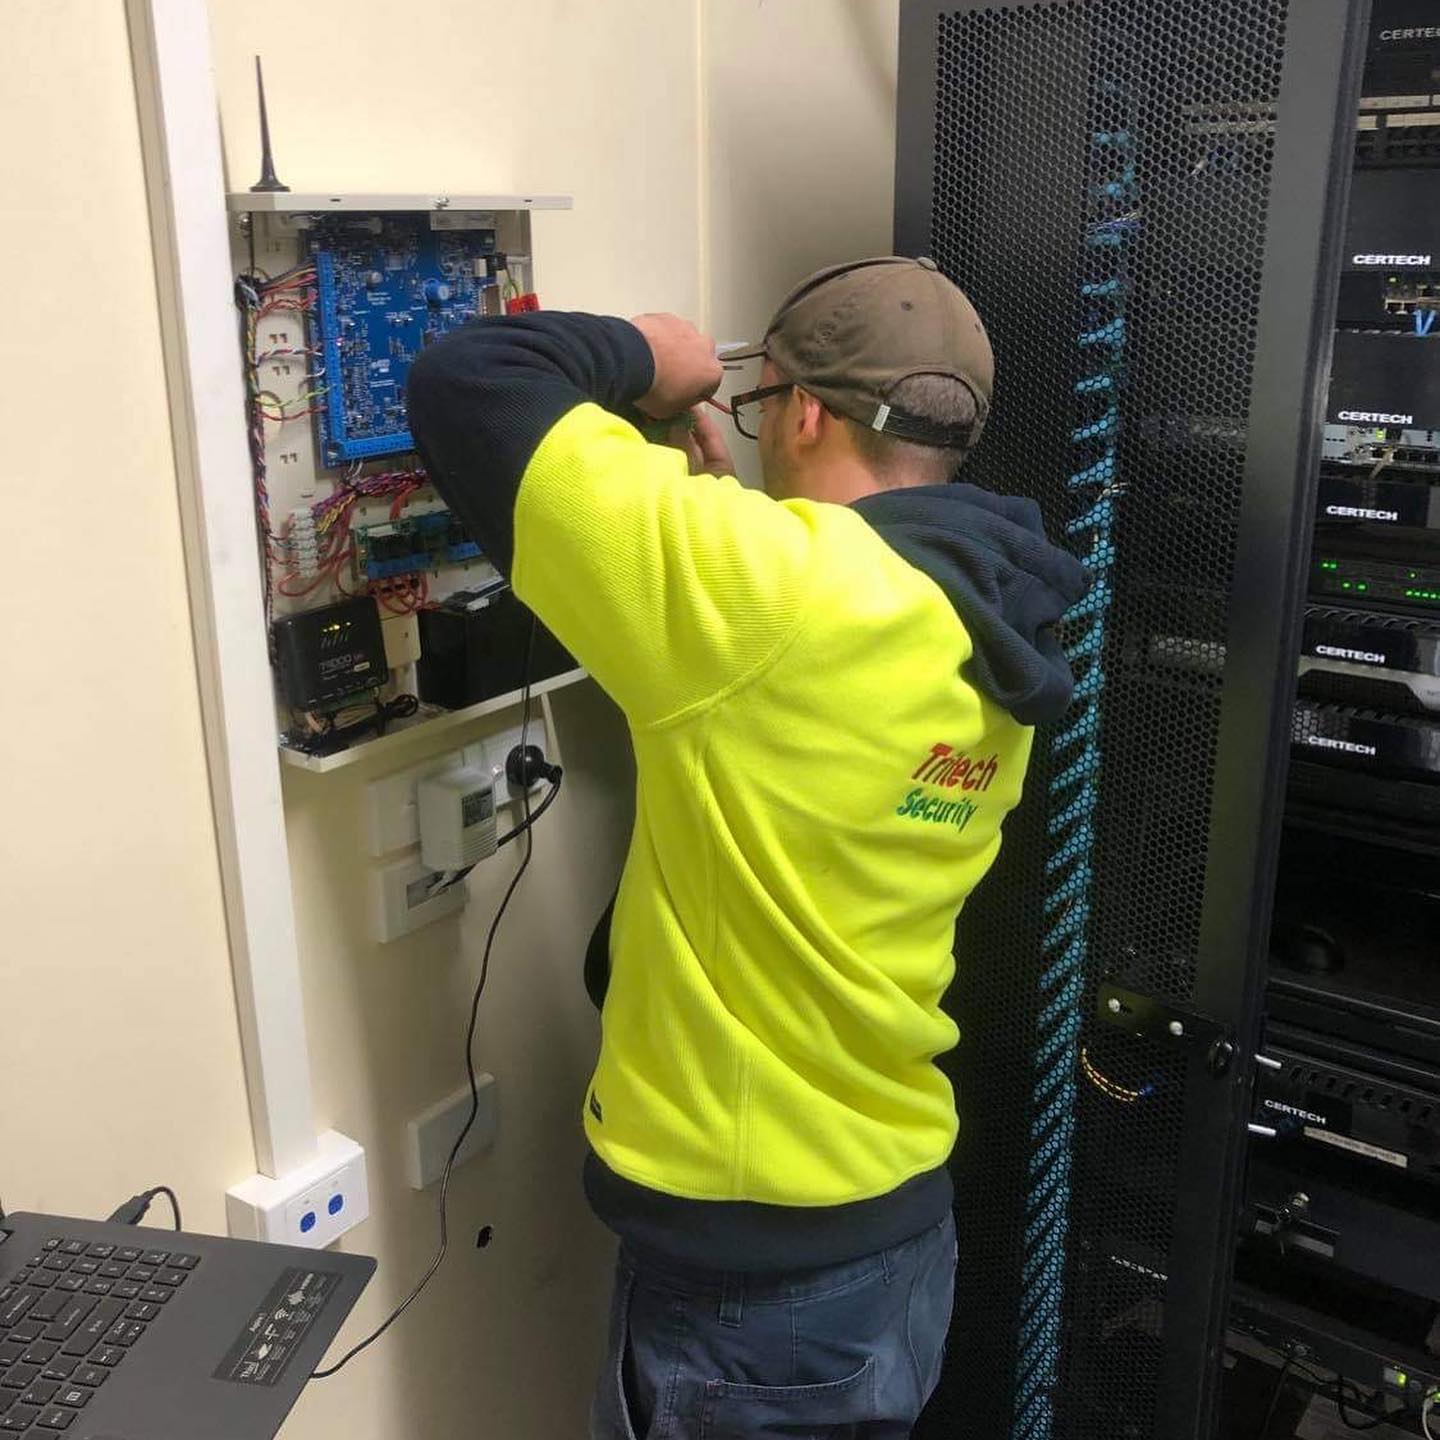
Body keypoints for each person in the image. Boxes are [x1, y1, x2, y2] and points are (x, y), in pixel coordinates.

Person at [407, 255, 1090, 1439]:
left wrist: (655, 351)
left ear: (807, 410)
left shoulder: (769, 595)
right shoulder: (991, 615)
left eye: (758, 403)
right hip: (896, 1228)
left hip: (752, 1284)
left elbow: (471, 378)